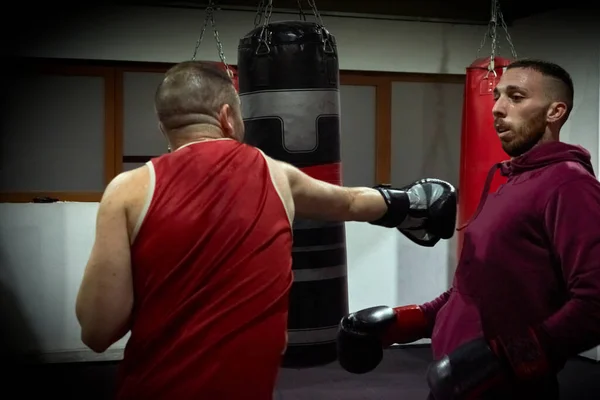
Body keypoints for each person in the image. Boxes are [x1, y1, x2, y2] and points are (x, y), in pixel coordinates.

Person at [74, 61, 457, 399]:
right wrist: (414, 202)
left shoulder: (128, 191)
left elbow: (97, 332)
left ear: (164, 125)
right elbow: (351, 202)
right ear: (227, 116)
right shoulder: (276, 175)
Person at [336, 58, 600, 399]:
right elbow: (470, 288)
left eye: (516, 97)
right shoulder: (509, 182)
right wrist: (404, 322)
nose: (498, 109)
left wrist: (507, 359)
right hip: (455, 382)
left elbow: (595, 301)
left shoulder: (570, 186)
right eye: (498, 96)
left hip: (507, 389)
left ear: (555, 111)